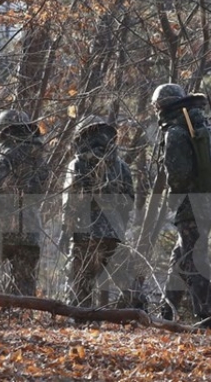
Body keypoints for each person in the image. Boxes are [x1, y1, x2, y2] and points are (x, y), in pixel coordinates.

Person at [151, 83, 211, 329]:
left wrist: (174, 193)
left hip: (191, 204)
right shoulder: (196, 125)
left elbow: (179, 174)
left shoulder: (175, 131)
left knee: (194, 258)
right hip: (209, 201)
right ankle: (166, 312)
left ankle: (205, 319)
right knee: (181, 256)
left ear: (162, 106)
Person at [0, 109, 48, 296]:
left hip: (6, 226)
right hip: (32, 228)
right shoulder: (40, 160)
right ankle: (23, 317)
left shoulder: (8, 154)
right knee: (25, 281)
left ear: (5, 131)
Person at [59, 116, 135, 308]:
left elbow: (71, 201)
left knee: (81, 282)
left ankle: (81, 325)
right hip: (115, 233)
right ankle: (135, 318)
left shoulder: (77, 164)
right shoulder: (121, 166)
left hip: (86, 232)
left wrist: (65, 231)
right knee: (127, 283)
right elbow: (129, 201)